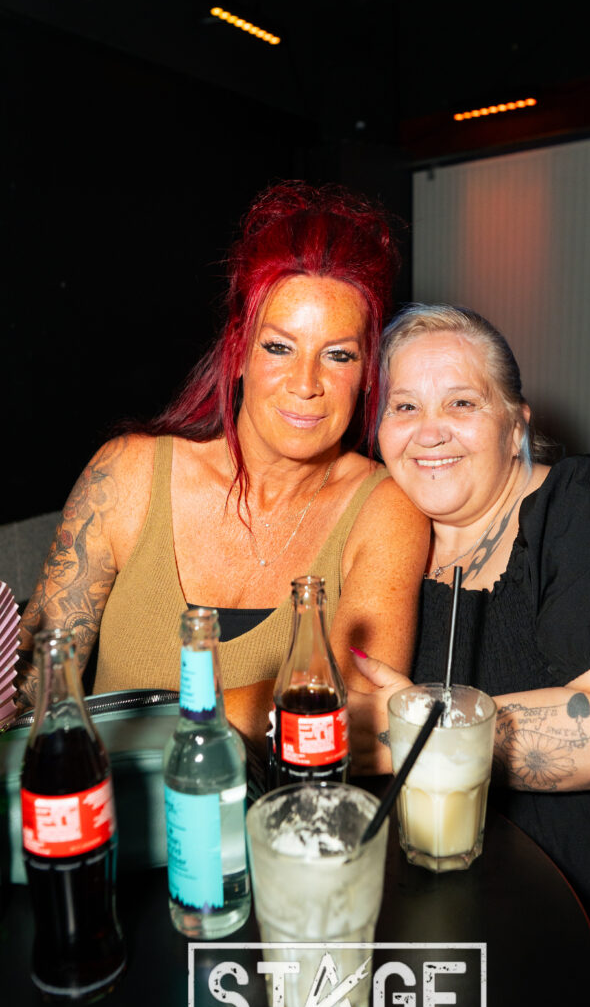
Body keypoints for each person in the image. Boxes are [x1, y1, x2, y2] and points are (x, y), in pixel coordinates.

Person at [350, 303, 590, 1007]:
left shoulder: (579, 514)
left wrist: (406, 733)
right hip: (442, 915)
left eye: (461, 401)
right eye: (403, 405)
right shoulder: (386, 541)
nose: (429, 430)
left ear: (515, 423)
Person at [14, 182, 429, 782]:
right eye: (279, 347)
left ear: (369, 373)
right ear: (238, 349)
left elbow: (358, 716)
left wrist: (135, 722)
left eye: (338, 355)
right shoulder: (127, 474)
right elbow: (32, 693)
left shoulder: (385, 509)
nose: (306, 384)